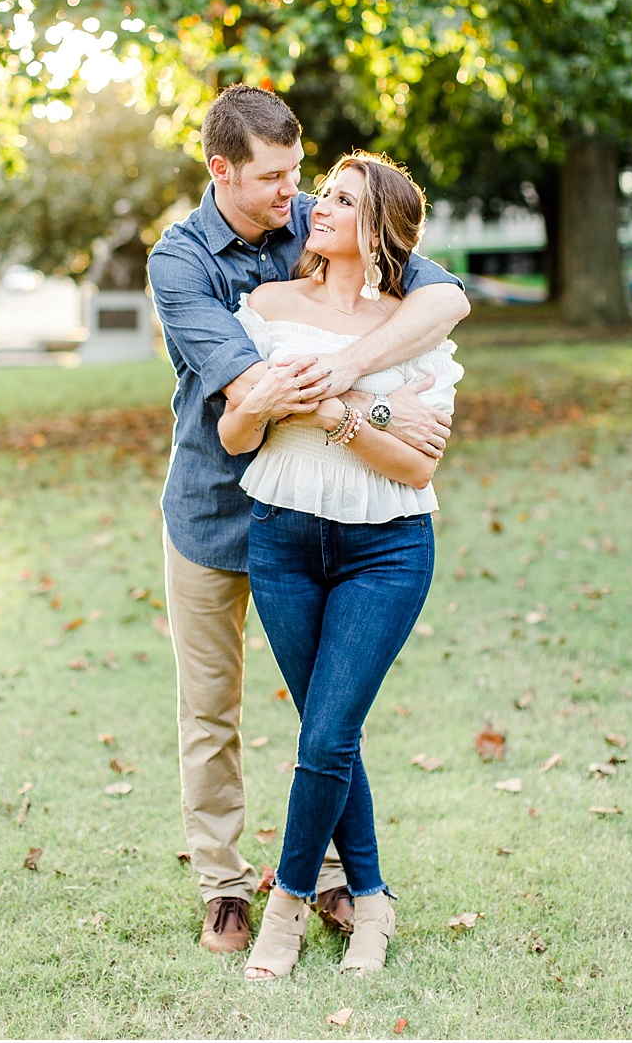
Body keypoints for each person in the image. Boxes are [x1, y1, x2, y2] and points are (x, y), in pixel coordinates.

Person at [147, 86, 469, 954]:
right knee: (211, 709)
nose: (294, 192)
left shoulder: (312, 222)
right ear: (222, 171)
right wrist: (378, 407)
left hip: (325, 509)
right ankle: (224, 887)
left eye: (302, 174)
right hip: (217, 509)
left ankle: (334, 880)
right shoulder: (179, 263)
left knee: (327, 711)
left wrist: (348, 373)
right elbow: (247, 389)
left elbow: (439, 300)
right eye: (275, 177)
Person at [219, 152, 453, 978]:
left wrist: (334, 414)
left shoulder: (413, 323)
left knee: (325, 733)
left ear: (377, 227)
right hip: (282, 538)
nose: (318, 204)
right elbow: (236, 432)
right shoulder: (269, 306)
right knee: (331, 731)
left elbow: (418, 465)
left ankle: (285, 907)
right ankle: (374, 900)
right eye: (325, 191)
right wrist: (295, 406)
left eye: (343, 199)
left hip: (386, 550)